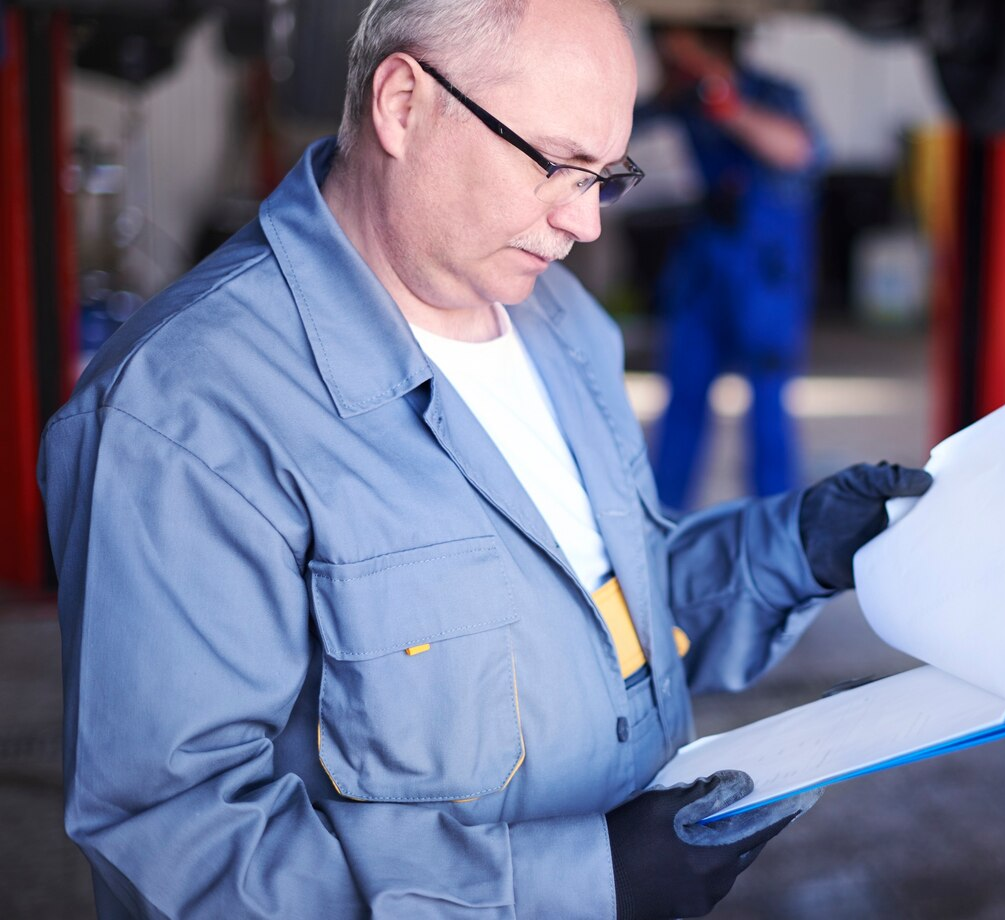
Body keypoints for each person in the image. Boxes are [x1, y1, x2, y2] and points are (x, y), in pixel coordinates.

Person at [38, 1, 932, 917]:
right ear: (401, 103)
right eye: (556, 165)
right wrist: (581, 887)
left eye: (606, 175)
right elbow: (187, 847)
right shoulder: (185, 413)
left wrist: (798, 548)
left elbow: (600, 614)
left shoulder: (564, 327)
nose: (585, 223)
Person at [642, 21, 822, 511]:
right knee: (682, 404)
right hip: (703, 272)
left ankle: (776, 533)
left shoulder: (771, 95)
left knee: (768, 410)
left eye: (677, 54)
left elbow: (798, 150)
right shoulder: (679, 102)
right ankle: (662, 529)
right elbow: (627, 134)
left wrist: (727, 101)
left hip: (765, 277)